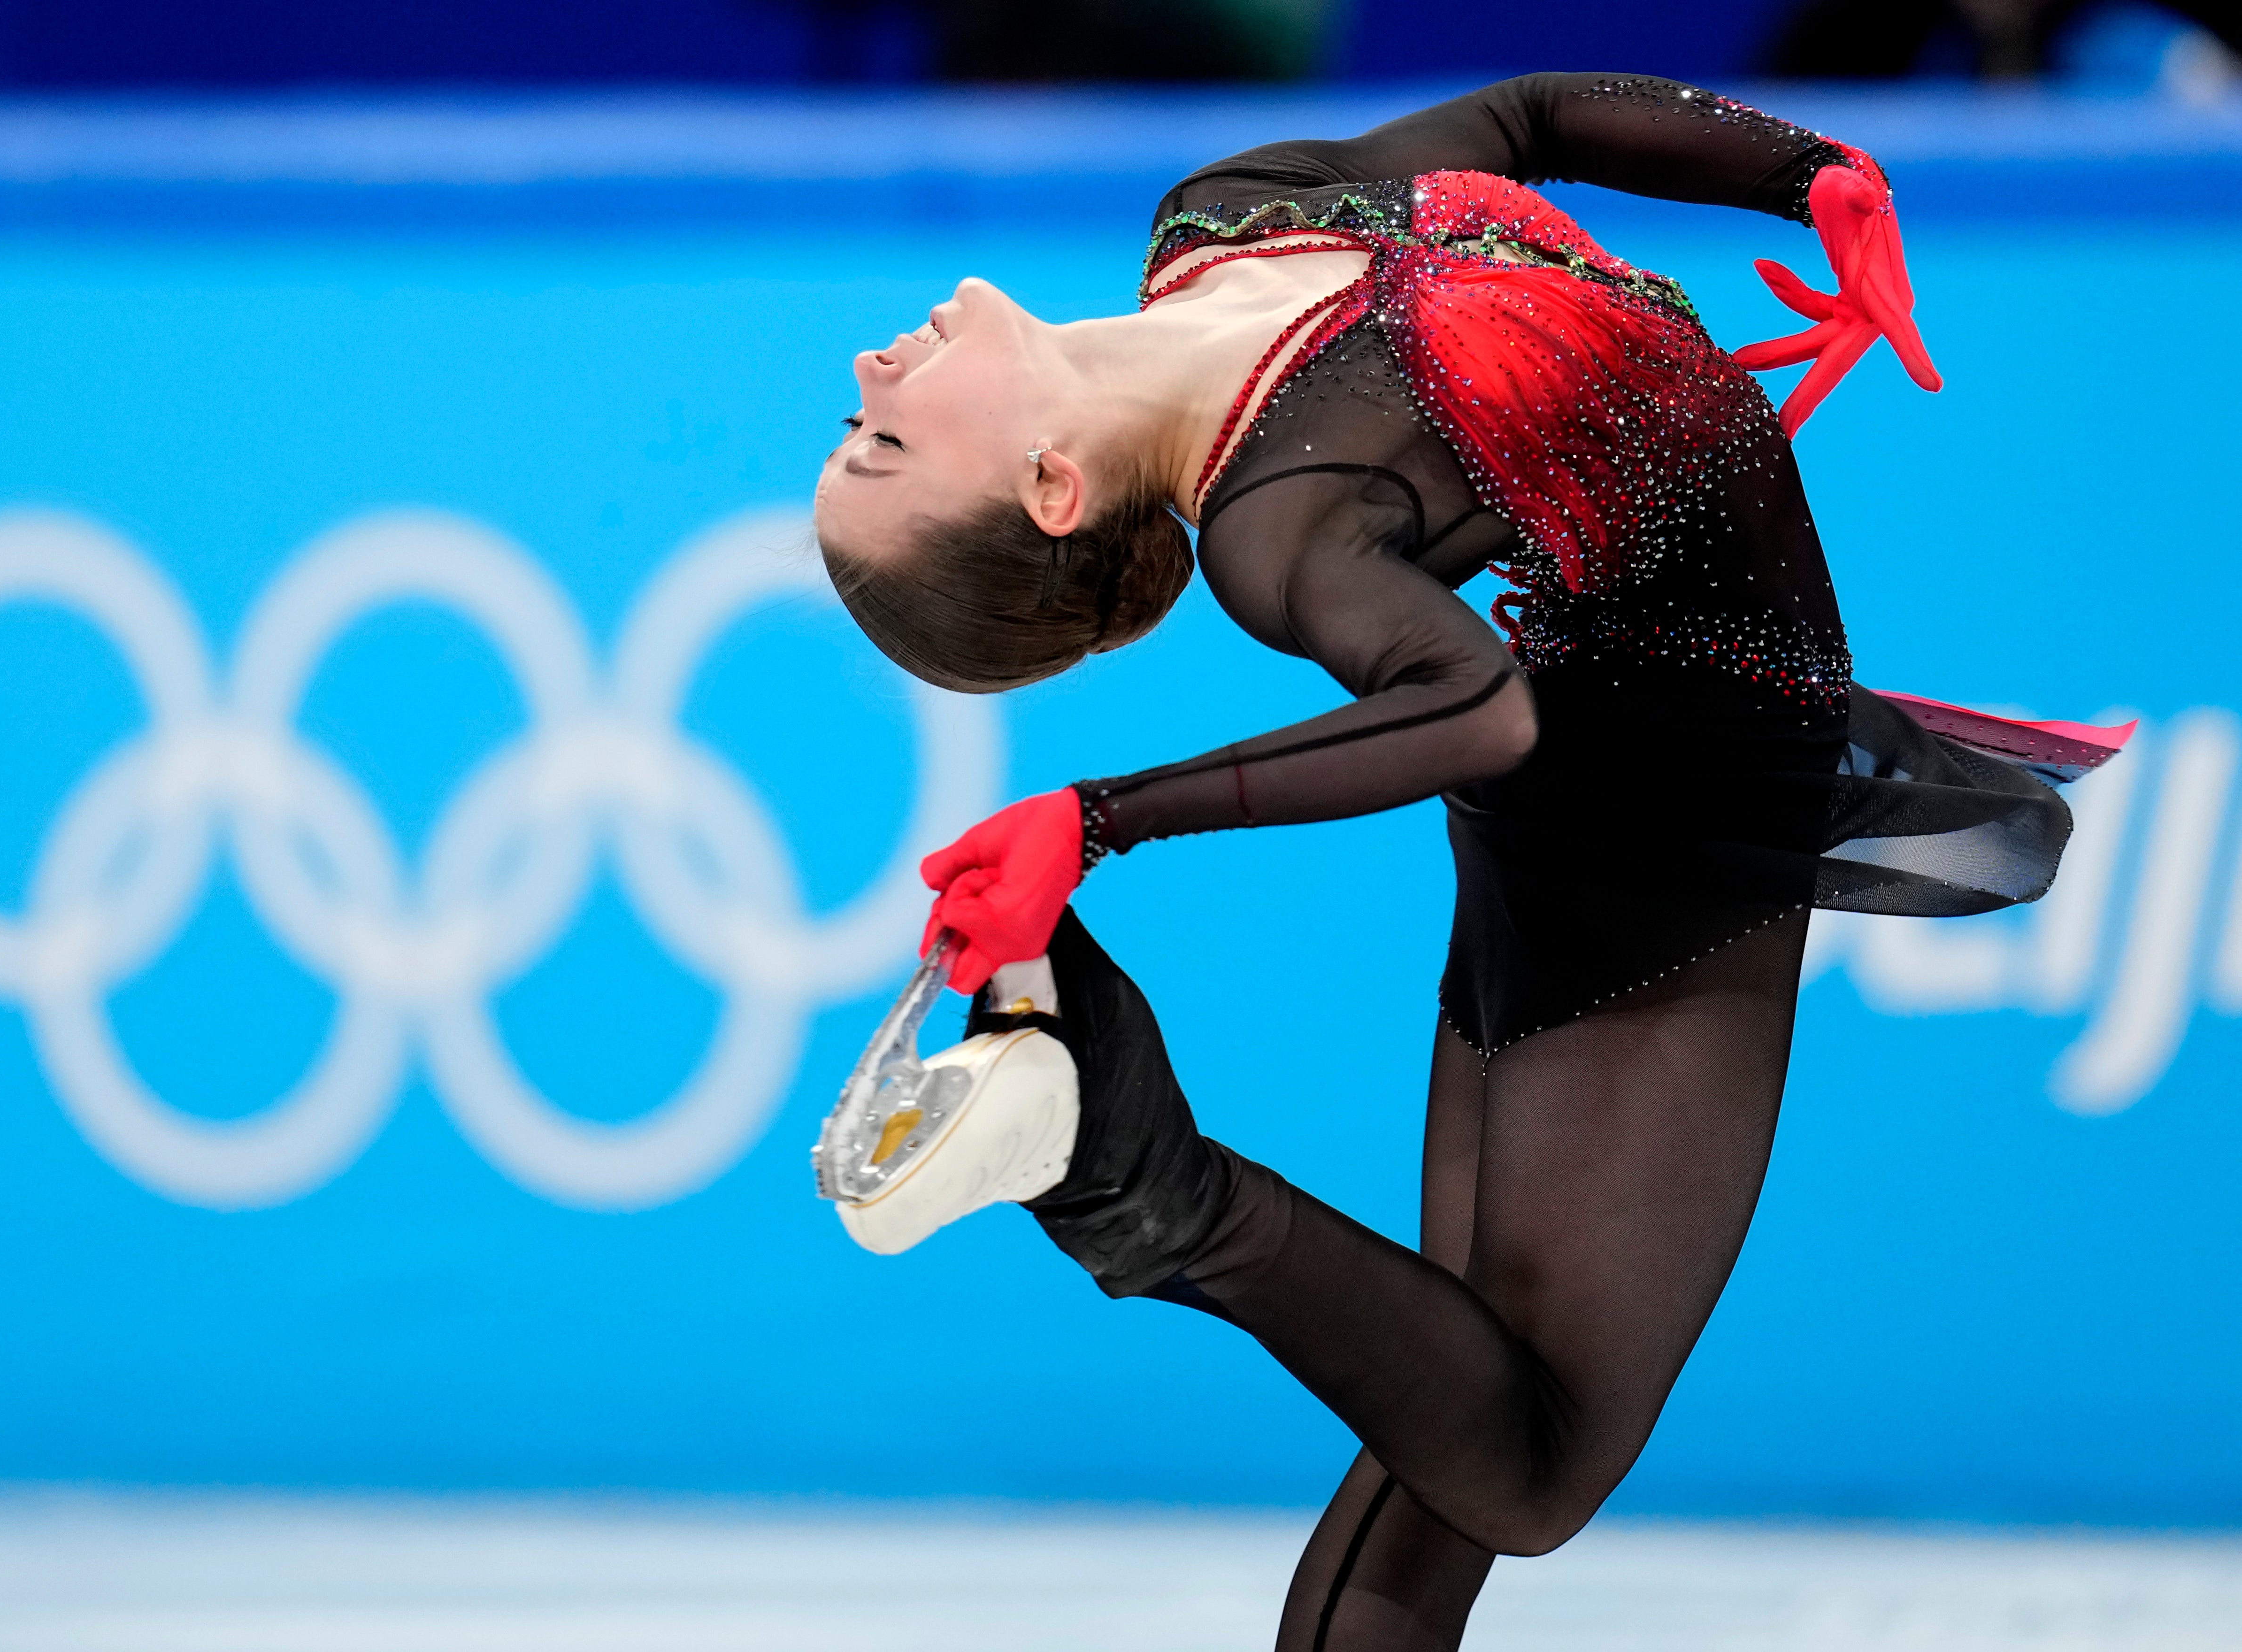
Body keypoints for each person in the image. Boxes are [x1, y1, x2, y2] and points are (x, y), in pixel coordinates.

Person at [811, 73, 2127, 1651]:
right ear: (1049, 491)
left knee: (1458, 1424)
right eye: (887, 436)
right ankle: (1155, 1187)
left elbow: (1527, 120)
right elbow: (1474, 710)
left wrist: (1814, 175)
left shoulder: (1227, 217)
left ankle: (1134, 1168)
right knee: (1527, 1464)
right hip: (1662, 823)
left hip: (1625, 751)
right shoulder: (1280, 522)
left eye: (857, 428)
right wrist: (1099, 818)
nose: (871, 365)